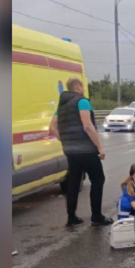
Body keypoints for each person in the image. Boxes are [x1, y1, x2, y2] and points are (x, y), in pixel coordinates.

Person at [49, 77, 112, 226]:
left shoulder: (61, 106)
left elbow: (52, 128)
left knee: (73, 183)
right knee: (98, 180)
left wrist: (65, 140)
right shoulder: (82, 101)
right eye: (82, 86)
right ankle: (96, 216)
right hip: (86, 150)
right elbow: (88, 126)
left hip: (70, 151)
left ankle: (71, 217)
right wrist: (99, 147)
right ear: (79, 86)